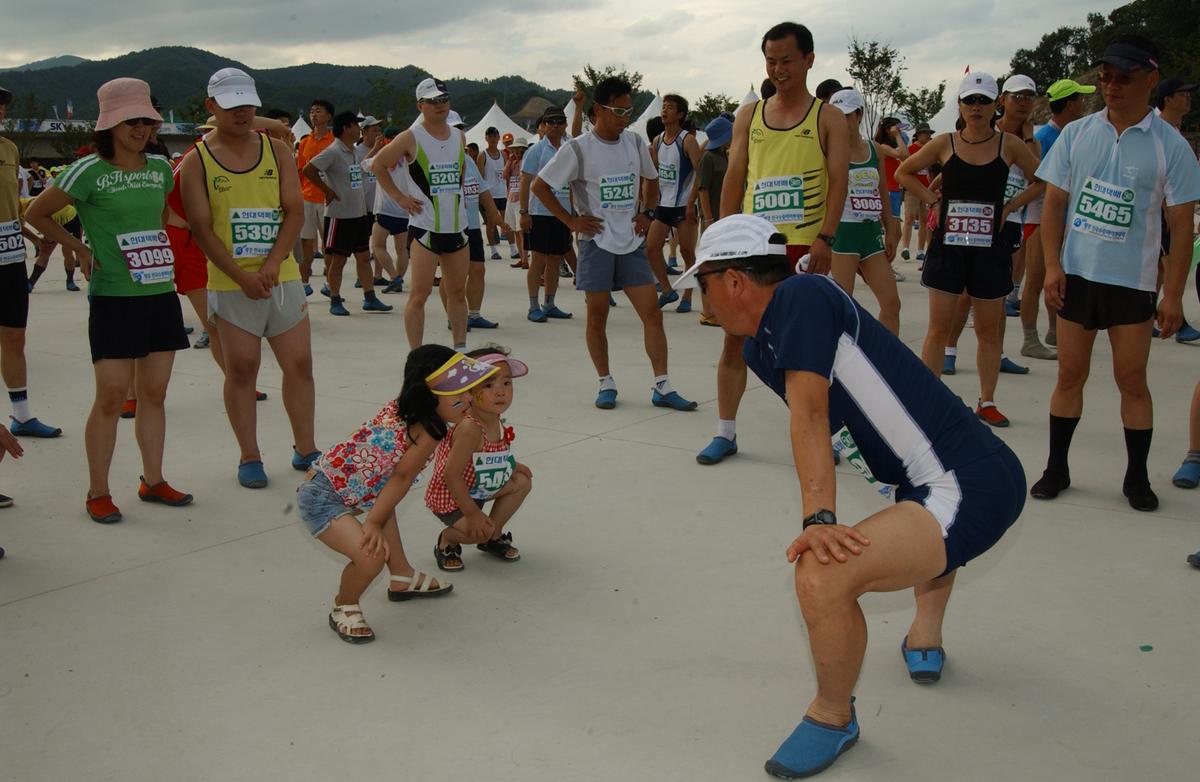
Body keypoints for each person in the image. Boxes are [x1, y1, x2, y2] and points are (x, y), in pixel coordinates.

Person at [672, 214, 1024, 779]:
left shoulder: (801, 295)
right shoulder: (762, 345)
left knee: (822, 573)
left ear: (734, 280)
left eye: (703, 283)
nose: (701, 298)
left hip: (968, 483)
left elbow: (811, 413)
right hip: (932, 480)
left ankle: (834, 717)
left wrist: (819, 518)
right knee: (914, 512)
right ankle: (925, 632)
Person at [1031, 35, 1200, 511]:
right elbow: (1055, 204)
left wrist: (1173, 295)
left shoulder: (1172, 147)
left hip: (1133, 282)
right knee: (1069, 375)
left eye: (1123, 77)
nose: (1110, 86)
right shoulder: (1077, 133)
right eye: (1105, 76)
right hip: (1077, 276)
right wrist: (1053, 266)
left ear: (1150, 79)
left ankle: (1136, 478)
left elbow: (1181, 224)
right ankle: (1056, 468)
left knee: (1132, 379)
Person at [26, 77, 192, 523]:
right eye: (130, 120)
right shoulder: (88, 170)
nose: (140, 128)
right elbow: (35, 212)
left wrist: (189, 233)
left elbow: (158, 215)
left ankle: (153, 480)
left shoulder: (159, 167)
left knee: (153, 394)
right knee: (112, 397)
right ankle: (97, 490)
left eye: (146, 119)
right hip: (114, 297)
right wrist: (79, 248)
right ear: (110, 124)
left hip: (160, 293)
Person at [696, 21, 849, 465]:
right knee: (734, 342)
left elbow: (838, 181)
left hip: (804, 246)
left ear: (808, 60)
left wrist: (825, 238)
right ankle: (725, 431)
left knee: (810, 347)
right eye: (771, 61)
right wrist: (722, 241)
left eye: (787, 60)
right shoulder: (749, 115)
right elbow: (735, 179)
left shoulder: (828, 117)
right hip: (752, 249)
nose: (779, 69)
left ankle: (830, 433)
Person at [180, 67, 319, 489]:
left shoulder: (277, 151)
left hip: (282, 277)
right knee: (241, 369)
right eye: (230, 104)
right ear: (211, 107)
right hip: (229, 281)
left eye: (247, 103)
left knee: (299, 364)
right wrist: (241, 276)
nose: (241, 112)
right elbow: (202, 229)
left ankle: (306, 448)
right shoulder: (195, 161)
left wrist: (275, 263)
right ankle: (250, 455)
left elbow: (294, 210)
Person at [296, 346, 490, 642]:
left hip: (345, 486)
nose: (466, 401)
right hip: (322, 497)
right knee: (371, 557)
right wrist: (371, 522)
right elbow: (401, 476)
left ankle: (401, 576)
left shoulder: (405, 408)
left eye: (468, 392)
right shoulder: (429, 429)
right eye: (456, 394)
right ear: (427, 393)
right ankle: (343, 605)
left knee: (384, 506)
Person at [532, 76, 697, 412]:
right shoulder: (577, 148)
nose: (624, 117)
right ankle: (605, 381)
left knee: (652, 314)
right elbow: (539, 186)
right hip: (596, 244)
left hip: (632, 242)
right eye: (618, 111)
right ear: (597, 111)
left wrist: (647, 213)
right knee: (597, 316)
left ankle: (663, 385)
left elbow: (651, 179)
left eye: (628, 111)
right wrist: (572, 221)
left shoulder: (635, 143)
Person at [897, 71, 1041, 429]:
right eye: (970, 100)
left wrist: (1010, 208)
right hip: (949, 246)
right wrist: (933, 201)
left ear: (996, 105)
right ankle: (931, 400)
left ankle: (987, 401)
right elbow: (903, 172)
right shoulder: (945, 142)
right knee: (938, 328)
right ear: (959, 105)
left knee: (989, 330)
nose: (976, 107)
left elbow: (1045, 179)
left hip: (990, 248)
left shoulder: (1008, 144)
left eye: (984, 101)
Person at [370, 77, 474, 350]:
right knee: (419, 294)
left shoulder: (459, 136)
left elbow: (460, 173)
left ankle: (460, 349)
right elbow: (378, 165)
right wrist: (399, 197)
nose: (440, 106)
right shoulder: (410, 137)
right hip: (426, 228)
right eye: (432, 101)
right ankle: (416, 354)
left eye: (443, 100)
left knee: (457, 293)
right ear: (420, 105)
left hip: (457, 228)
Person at [426, 348, 532, 570]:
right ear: (468, 391)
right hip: (453, 497)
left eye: (506, 383)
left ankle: (492, 536)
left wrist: (512, 466)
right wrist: (473, 514)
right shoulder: (469, 428)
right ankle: (448, 540)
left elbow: (492, 455)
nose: (501, 392)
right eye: (488, 385)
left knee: (522, 480)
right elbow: (451, 475)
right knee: (476, 530)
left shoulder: (494, 417)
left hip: (479, 486)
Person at [1019, 79, 1095, 359]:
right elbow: (1036, 182)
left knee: (1059, 278)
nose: (1085, 104)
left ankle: (1053, 330)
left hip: (1066, 218)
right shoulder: (1046, 139)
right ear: (1070, 104)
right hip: (1040, 217)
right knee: (1036, 278)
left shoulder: (1074, 135)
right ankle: (1030, 338)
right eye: (1080, 99)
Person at [303, 111, 392, 315]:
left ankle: (370, 297)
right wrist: (327, 191)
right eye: (356, 125)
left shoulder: (350, 151)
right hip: (340, 216)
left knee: (363, 257)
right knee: (338, 260)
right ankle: (335, 299)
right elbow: (309, 169)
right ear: (346, 128)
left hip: (358, 215)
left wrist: (375, 151)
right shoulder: (333, 151)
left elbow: (358, 171)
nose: (358, 129)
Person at [827, 88, 901, 334]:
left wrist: (891, 228)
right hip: (843, 233)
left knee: (892, 303)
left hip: (870, 233)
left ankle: (887, 361)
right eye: (836, 115)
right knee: (842, 307)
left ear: (859, 115)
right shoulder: (828, 150)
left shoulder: (874, 149)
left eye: (846, 115)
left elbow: (883, 192)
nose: (841, 121)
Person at [439, 110, 508, 330]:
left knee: (478, 270)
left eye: (460, 129)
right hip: (450, 227)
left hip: (473, 226)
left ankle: (474, 315)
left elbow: (482, 188)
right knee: (451, 275)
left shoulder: (467, 159)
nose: (459, 133)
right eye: (454, 129)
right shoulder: (436, 159)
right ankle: (453, 315)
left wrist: (494, 214)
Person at [646, 94, 703, 310]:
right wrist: (649, 206)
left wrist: (691, 202)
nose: (664, 111)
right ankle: (668, 291)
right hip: (662, 206)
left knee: (687, 253)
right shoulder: (657, 141)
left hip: (683, 206)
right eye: (663, 107)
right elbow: (653, 174)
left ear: (680, 114)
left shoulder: (688, 140)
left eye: (670, 108)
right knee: (651, 249)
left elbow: (700, 174)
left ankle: (687, 296)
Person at [519, 107, 574, 322]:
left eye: (559, 121)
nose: (555, 125)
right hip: (539, 212)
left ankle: (549, 303)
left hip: (561, 213)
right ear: (543, 125)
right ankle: (533, 306)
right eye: (550, 122)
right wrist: (524, 212)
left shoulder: (570, 148)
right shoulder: (536, 150)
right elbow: (525, 181)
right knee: (538, 261)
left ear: (565, 124)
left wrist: (572, 212)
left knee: (555, 260)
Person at [694, 114, 732, 326]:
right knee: (708, 264)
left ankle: (718, 308)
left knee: (722, 264)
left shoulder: (724, 155)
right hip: (712, 217)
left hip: (724, 217)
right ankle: (707, 311)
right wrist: (708, 218)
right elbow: (703, 189)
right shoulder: (708, 158)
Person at [295, 99, 335, 293]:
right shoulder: (304, 142)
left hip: (328, 200)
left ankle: (329, 283)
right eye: (312, 111)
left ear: (328, 116)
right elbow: (300, 170)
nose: (314, 115)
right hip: (307, 198)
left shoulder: (335, 141)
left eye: (318, 111)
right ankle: (304, 284)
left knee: (329, 245)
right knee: (306, 243)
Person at [368, 125, 410, 294]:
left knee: (378, 246)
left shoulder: (381, 158)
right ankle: (399, 278)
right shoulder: (407, 159)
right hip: (404, 211)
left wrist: (375, 148)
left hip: (384, 210)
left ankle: (394, 277)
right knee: (402, 250)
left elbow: (363, 164)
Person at [355, 115, 393, 288]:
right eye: (373, 130)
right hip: (363, 204)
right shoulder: (357, 151)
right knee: (362, 244)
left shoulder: (384, 149)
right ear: (363, 132)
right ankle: (361, 276)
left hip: (378, 204)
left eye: (379, 130)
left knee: (379, 242)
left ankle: (377, 275)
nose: (378, 133)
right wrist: (375, 150)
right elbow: (358, 169)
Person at [20, 196, 81, 291]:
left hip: (70, 220)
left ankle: (70, 281)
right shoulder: (18, 207)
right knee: (45, 252)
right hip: (54, 218)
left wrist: (41, 241)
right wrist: (39, 241)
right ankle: (31, 282)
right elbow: (20, 228)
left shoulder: (30, 207)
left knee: (67, 251)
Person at [900, 126, 933, 262]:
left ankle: (921, 250)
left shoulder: (932, 149)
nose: (927, 136)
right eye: (925, 133)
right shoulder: (911, 150)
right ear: (918, 135)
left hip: (927, 189)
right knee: (909, 218)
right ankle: (905, 248)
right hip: (912, 189)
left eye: (929, 134)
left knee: (925, 220)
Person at [477, 126, 507, 260]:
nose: (493, 138)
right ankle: (494, 250)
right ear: (486, 138)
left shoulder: (504, 154)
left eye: (495, 135)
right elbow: (480, 176)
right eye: (490, 135)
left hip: (503, 192)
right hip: (490, 194)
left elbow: (507, 174)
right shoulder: (482, 155)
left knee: (506, 221)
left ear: (498, 137)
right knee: (490, 224)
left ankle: (512, 248)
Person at [503, 137, 530, 268]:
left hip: (521, 199)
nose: (517, 153)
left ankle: (525, 259)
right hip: (511, 197)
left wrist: (519, 160)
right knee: (514, 230)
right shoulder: (512, 162)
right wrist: (509, 161)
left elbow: (524, 176)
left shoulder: (526, 162)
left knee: (521, 231)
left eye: (520, 150)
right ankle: (522, 257)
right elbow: (504, 175)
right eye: (515, 150)